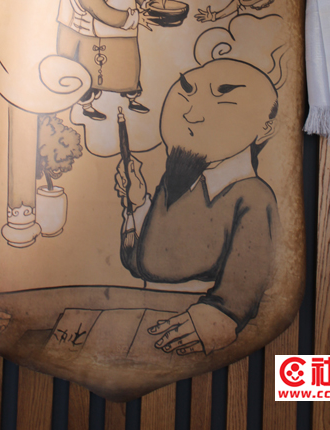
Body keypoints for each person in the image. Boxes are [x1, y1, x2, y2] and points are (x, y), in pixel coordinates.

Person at [114, 58, 280, 356]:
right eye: (187, 90)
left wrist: (218, 318)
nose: (191, 113)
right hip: (141, 315)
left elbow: (246, 283)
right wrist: (138, 203)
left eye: (223, 98)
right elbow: (144, 263)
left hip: (194, 327)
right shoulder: (177, 179)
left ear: (265, 128)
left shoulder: (253, 197)